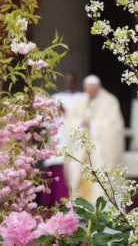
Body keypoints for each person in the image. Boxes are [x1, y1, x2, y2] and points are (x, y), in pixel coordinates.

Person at [64, 75, 125, 204]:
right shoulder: (80, 100)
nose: (89, 93)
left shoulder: (109, 101)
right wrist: (81, 122)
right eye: (87, 90)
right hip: (82, 149)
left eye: (92, 89)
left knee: (100, 178)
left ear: (97, 88)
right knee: (77, 173)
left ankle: (102, 207)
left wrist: (93, 124)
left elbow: (114, 125)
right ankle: (80, 207)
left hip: (100, 148)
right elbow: (70, 121)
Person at [40, 72, 83, 207]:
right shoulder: (57, 98)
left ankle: (73, 203)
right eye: (67, 80)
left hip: (75, 139)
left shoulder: (82, 98)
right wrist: (56, 112)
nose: (70, 83)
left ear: (76, 82)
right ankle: (53, 202)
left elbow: (84, 118)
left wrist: (68, 114)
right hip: (58, 136)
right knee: (56, 163)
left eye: (72, 80)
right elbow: (47, 118)